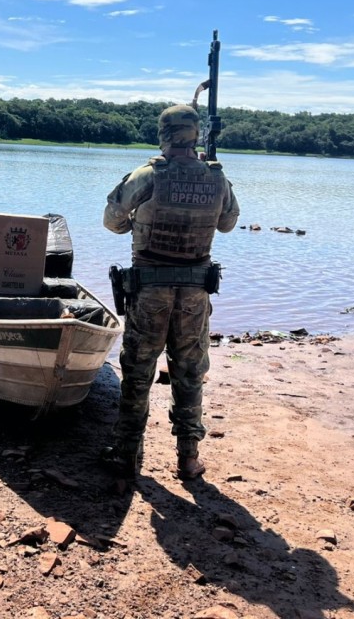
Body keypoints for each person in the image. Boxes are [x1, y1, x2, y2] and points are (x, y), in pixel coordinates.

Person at [102, 103, 239, 480]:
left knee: (138, 373)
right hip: (195, 293)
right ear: (196, 135)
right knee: (190, 373)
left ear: (163, 134)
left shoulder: (148, 175)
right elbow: (228, 224)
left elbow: (112, 220)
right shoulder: (217, 177)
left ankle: (126, 456)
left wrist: (135, 224)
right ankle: (188, 458)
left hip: (149, 290)